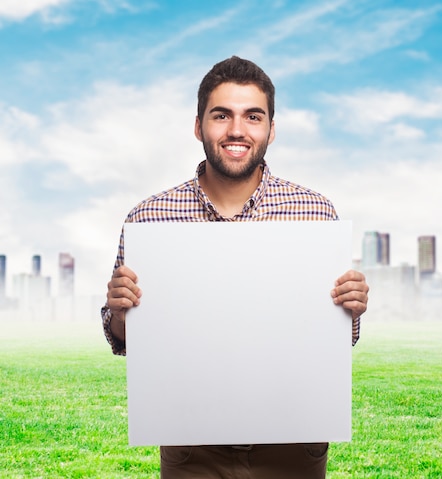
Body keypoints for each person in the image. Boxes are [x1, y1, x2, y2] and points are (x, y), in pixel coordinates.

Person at [101, 56, 369, 479]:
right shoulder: (148, 219)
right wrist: (119, 311)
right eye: (221, 115)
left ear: (271, 130)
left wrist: (350, 310)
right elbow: (125, 341)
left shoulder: (315, 212)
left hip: (293, 443)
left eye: (253, 116)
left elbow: (336, 341)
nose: (237, 130)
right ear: (198, 126)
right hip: (192, 448)